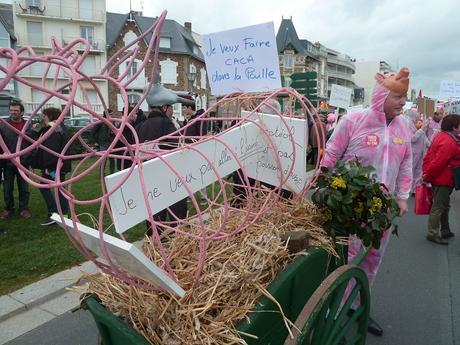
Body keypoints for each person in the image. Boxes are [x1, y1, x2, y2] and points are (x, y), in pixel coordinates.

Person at [321, 67, 413, 336]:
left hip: (381, 211)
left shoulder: (403, 127)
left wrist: (402, 197)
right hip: (349, 207)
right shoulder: (354, 120)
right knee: (344, 259)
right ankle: (332, 315)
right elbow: (331, 153)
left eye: (404, 97)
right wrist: (321, 187)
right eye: (398, 97)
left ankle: (359, 304)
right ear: (382, 94)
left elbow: (406, 163)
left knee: (371, 258)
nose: (402, 102)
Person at [137, 84, 193, 230]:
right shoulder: (165, 123)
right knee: (178, 218)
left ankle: (154, 243)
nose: (172, 111)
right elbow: (177, 147)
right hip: (169, 178)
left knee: (155, 218)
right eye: (171, 107)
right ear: (164, 108)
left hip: (150, 179)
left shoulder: (141, 125)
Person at [422, 114, 460, 244]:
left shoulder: (443, 136)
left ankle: (445, 230)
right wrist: (427, 177)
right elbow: (438, 163)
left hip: (441, 178)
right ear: (454, 127)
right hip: (443, 178)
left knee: (443, 205)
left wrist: (427, 174)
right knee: (439, 206)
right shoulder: (449, 141)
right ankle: (433, 233)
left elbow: (431, 157)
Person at [31, 107, 71, 225]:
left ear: (50, 116)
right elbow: (34, 132)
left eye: (44, 115)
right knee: (59, 189)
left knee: (48, 187)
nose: (43, 118)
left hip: (54, 166)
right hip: (58, 165)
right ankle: (63, 215)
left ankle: (56, 214)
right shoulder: (57, 127)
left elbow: (51, 150)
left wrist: (48, 167)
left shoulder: (54, 129)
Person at [0, 101, 31, 219]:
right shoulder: (3, 125)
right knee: (7, 188)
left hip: (23, 162)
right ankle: (9, 208)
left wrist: (28, 157)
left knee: (24, 187)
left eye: (16, 110)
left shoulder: (28, 125)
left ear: (21, 112)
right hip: (8, 163)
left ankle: (24, 208)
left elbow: (33, 142)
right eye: (11, 110)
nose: (13, 113)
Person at [406, 109, 429, 192]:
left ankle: (415, 189)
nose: (419, 116)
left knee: (419, 170)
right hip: (413, 152)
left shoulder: (415, 124)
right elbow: (412, 138)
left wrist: (430, 145)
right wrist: (421, 129)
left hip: (420, 152)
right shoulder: (408, 125)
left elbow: (423, 136)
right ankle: (407, 187)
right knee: (411, 170)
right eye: (418, 115)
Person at [91, 109, 116, 174]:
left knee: (112, 159)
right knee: (103, 159)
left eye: (112, 114)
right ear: (106, 115)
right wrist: (96, 141)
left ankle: (112, 173)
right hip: (103, 143)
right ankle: (101, 173)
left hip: (111, 142)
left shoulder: (112, 122)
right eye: (111, 114)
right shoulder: (100, 122)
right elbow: (93, 132)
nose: (112, 115)